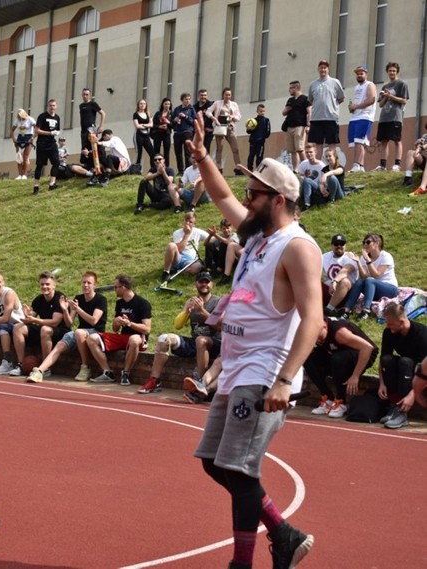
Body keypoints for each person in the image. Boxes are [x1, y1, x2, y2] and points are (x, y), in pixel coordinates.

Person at [186, 111, 322, 569]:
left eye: (255, 193)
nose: (246, 198)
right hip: (238, 367)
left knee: (238, 468)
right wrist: (204, 156)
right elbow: (221, 193)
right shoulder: (258, 236)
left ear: (278, 200)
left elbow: (312, 319)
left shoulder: (298, 247)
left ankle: (242, 563)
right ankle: (283, 534)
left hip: (265, 372)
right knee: (213, 461)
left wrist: (285, 380)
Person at [142, 272, 220, 394]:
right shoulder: (191, 301)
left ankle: (199, 383)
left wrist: (202, 310)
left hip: (214, 343)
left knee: (201, 340)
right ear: (196, 284)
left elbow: (219, 325)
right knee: (164, 339)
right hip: (195, 342)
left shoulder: (218, 302)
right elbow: (178, 325)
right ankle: (154, 380)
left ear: (212, 285)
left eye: (207, 282)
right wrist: (186, 312)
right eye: (201, 282)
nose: (204, 284)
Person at [26, 271, 108, 383]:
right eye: (84, 282)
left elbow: (94, 321)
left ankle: (85, 367)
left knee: (79, 332)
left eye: (89, 283)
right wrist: (65, 310)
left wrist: (78, 309)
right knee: (60, 344)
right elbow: (69, 323)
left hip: (96, 333)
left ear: (95, 285)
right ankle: (40, 371)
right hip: (80, 332)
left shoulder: (101, 300)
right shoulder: (78, 298)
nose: (85, 285)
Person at [305, 316, 378, 418]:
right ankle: (328, 398)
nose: (318, 341)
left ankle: (341, 402)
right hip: (338, 353)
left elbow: (367, 348)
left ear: (324, 327)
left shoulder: (340, 333)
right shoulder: (312, 330)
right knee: (308, 358)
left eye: (320, 338)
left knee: (338, 358)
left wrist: (355, 375)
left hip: (364, 354)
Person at [85, 274, 152, 386]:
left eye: (116, 287)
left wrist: (129, 323)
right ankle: (107, 373)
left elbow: (146, 329)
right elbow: (115, 329)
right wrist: (116, 322)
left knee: (134, 339)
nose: (114, 290)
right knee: (92, 338)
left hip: (138, 338)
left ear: (124, 287)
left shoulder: (143, 303)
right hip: (123, 337)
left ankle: (125, 373)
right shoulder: (119, 303)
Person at [8, 271, 69, 377]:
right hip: (43, 329)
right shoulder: (38, 299)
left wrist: (35, 320)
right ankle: (21, 364)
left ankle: (45, 368)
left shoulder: (59, 298)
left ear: (54, 285)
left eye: (47, 284)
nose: (44, 287)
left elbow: (55, 322)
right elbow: (30, 318)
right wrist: (26, 315)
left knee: (45, 329)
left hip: (61, 331)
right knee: (17, 328)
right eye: (42, 284)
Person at [378, 303, 427, 429]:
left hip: (421, 371)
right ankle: (395, 406)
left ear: (401, 322)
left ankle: (402, 412)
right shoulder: (389, 332)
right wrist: (382, 383)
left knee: (405, 362)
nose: (387, 326)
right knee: (387, 360)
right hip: (406, 367)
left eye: (390, 324)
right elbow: (382, 360)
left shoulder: (422, 334)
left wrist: (413, 395)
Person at [341, 232, 398, 321]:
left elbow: (377, 275)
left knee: (370, 280)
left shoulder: (386, 256)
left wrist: (368, 260)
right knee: (360, 281)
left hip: (390, 289)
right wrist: (358, 262)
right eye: (363, 242)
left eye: (368, 242)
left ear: (376, 243)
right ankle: (346, 310)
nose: (365, 245)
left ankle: (366, 311)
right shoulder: (364, 257)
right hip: (373, 290)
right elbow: (364, 276)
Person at [375, 62, 409, 172]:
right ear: (387, 72)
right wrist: (385, 96)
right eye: (390, 71)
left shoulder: (402, 84)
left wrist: (391, 96)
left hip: (396, 117)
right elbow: (380, 104)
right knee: (384, 141)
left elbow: (404, 100)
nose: (392, 72)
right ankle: (382, 165)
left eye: (394, 71)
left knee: (397, 140)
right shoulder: (385, 86)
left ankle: (397, 165)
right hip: (384, 117)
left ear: (397, 72)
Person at [307, 59, 345, 157]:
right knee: (318, 143)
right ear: (318, 69)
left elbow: (341, 98)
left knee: (332, 143)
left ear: (328, 69)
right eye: (321, 68)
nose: (323, 69)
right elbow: (310, 100)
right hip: (316, 118)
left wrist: (332, 106)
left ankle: (332, 166)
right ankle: (318, 167)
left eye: (325, 67)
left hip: (331, 118)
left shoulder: (335, 82)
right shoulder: (313, 84)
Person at [160, 211, 207, 282]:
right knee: (171, 245)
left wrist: (213, 235)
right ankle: (166, 272)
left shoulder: (198, 232)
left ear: (194, 224)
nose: (187, 223)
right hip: (178, 257)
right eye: (186, 221)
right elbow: (180, 249)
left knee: (198, 267)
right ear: (183, 221)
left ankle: (177, 271)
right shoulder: (177, 233)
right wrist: (187, 234)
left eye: (190, 222)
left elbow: (211, 238)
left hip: (190, 261)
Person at [346, 64, 377, 173]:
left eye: (361, 73)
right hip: (355, 116)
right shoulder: (357, 87)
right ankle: (360, 166)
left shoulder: (370, 85)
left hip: (365, 116)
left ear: (366, 74)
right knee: (356, 142)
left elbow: (371, 100)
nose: (359, 75)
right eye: (358, 74)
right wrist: (352, 107)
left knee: (360, 140)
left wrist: (357, 106)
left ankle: (357, 164)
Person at [206, 87, 243, 176]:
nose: (228, 96)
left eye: (229, 95)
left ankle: (238, 168)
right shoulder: (217, 103)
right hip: (220, 127)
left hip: (230, 127)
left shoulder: (234, 104)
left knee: (235, 148)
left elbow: (239, 116)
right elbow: (208, 112)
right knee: (220, 148)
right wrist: (214, 119)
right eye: (226, 94)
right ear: (223, 95)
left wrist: (233, 117)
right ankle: (219, 168)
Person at [321, 233, 359, 316]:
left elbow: (346, 270)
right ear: (331, 246)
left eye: (341, 244)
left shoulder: (350, 256)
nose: (339, 246)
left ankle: (328, 310)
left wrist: (335, 281)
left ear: (345, 245)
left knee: (345, 281)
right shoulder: (325, 257)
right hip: (328, 290)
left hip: (345, 294)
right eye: (336, 244)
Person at [298, 143, 343, 209]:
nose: (309, 154)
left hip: (329, 191)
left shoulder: (322, 166)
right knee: (305, 180)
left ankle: (331, 200)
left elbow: (336, 172)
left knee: (331, 178)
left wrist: (326, 176)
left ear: (315, 152)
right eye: (307, 152)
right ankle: (306, 204)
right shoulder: (304, 164)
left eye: (311, 152)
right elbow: (301, 178)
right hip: (313, 187)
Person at [32, 99, 62, 195]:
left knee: (56, 163)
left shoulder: (57, 117)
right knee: (40, 165)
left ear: (56, 106)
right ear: (47, 106)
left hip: (52, 143)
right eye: (50, 105)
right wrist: (49, 133)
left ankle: (52, 183)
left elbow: (57, 130)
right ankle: (36, 186)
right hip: (42, 144)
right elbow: (37, 130)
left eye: (53, 105)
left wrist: (56, 133)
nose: (52, 107)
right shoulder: (42, 116)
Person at [282, 80, 311, 171]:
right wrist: (287, 110)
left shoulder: (305, 99)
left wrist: (308, 124)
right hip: (290, 127)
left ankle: (307, 169)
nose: (289, 90)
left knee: (300, 148)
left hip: (300, 126)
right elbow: (283, 112)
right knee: (292, 150)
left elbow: (309, 112)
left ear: (296, 88)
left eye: (291, 88)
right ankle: (296, 169)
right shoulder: (290, 100)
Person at [171, 92, 197, 172]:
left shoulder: (191, 109)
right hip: (177, 132)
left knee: (187, 152)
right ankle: (180, 170)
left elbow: (194, 121)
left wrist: (186, 117)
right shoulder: (176, 109)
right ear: (182, 100)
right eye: (186, 99)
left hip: (187, 132)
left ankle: (188, 169)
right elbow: (171, 122)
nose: (188, 101)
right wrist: (175, 120)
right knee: (178, 152)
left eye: (189, 99)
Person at [10, 108, 36, 180]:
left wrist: (32, 137)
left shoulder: (30, 119)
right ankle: (20, 174)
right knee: (19, 157)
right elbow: (12, 130)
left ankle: (25, 174)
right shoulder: (17, 120)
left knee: (25, 156)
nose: (20, 117)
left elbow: (36, 128)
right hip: (20, 137)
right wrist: (14, 139)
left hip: (28, 137)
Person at [401, 122, 427, 190]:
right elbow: (416, 150)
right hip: (425, 163)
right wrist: (416, 145)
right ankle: (408, 178)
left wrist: (423, 147)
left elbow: (423, 147)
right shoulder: (425, 136)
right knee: (410, 152)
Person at [79, 87, 106, 152]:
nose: (85, 96)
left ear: (90, 95)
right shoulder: (81, 106)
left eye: (87, 94)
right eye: (84, 94)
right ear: (82, 95)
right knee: (85, 149)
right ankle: (87, 161)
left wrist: (101, 126)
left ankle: (96, 161)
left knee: (93, 148)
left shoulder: (93, 104)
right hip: (83, 130)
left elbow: (103, 113)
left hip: (91, 130)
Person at [246, 104, 271, 170]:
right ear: (257, 111)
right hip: (253, 141)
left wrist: (263, 137)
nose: (262, 112)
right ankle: (249, 169)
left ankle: (258, 170)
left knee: (259, 157)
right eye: (260, 111)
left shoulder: (266, 120)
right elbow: (248, 131)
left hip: (261, 142)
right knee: (251, 156)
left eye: (263, 111)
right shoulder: (253, 120)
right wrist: (248, 128)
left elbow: (268, 131)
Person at [132, 98, 156, 168]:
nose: (142, 105)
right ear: (138, 105)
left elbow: (151, 125)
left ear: (146, 105)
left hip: (146, 135)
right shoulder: (136, 114)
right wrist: (145, 125)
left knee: (152, 153)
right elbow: (137, 126)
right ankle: (136, 169)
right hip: (138, 135)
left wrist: (143, 125)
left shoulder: (148, 114)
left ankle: (153, 168)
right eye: (141, 104)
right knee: (139, 152)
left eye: (144, 104)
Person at [152, 97, 173, 167]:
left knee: (166, 151)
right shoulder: (158, 114)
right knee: (156, 151)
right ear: (163, 105)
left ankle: (166, 167)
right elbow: (153, 125)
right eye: (166, 104)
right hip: (157, 134)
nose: (167, 105)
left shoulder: (171, 114)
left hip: (166, 134)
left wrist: (168, 122)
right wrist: (159, 126)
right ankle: (155, 167)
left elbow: (174, 125)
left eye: (168, 104)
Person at [194, 88, 215, 154]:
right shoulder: (194, 107)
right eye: (202, 95)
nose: (203, 97)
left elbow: (214, 117)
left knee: (206, 148)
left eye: (205, 95)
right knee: (197, 148)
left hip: (208, 131)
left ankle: (205, 163)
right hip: (198, 132)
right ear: (198, 96)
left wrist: (212, 128)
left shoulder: (211, 105)